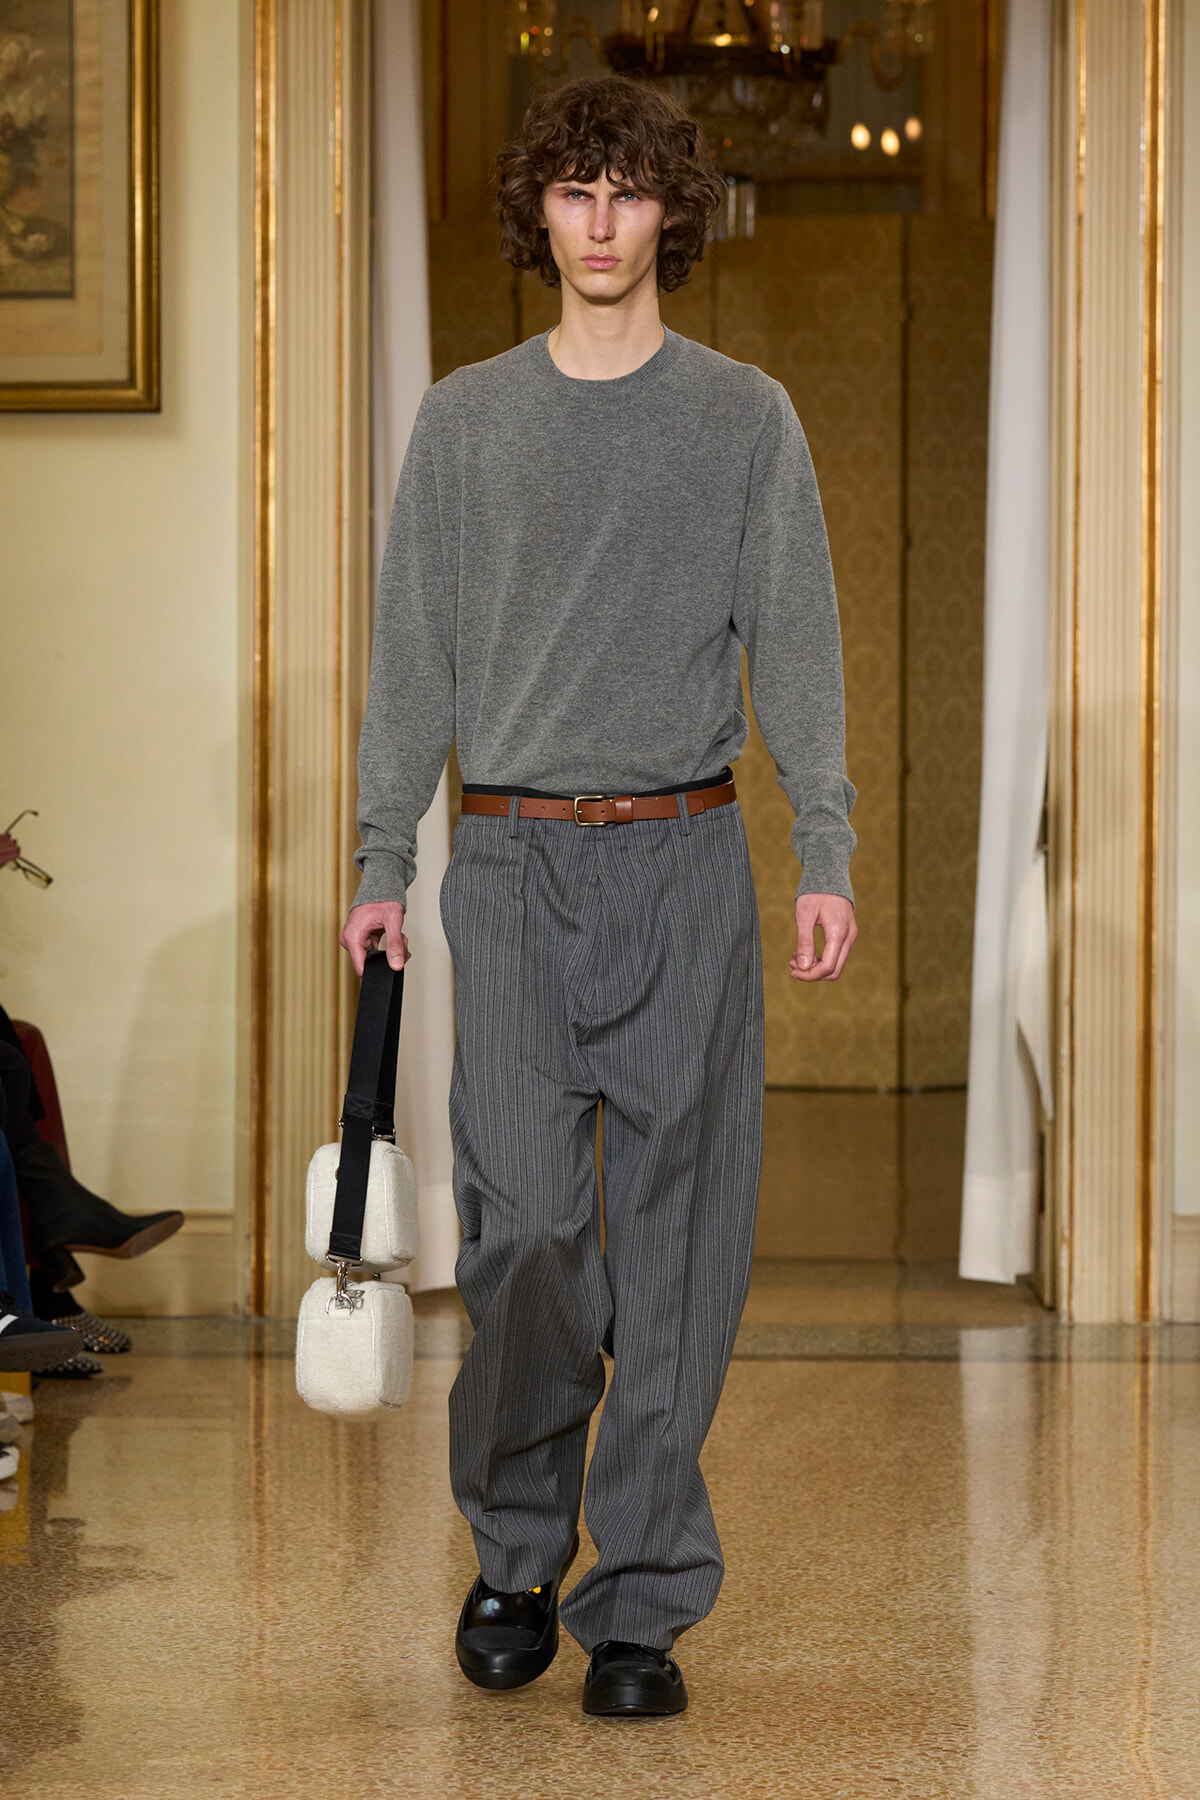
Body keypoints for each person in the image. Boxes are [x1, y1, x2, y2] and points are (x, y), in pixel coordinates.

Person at [339, 74, 857, 1718]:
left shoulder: (746, 420)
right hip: (507, 867)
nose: (604, 222)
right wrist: (379, 860)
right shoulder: (467, 423)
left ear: (672, 212)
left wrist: (826, 846)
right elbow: (413, 659)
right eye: (575, 190)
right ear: (540, 212)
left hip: (686, 860)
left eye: (630, 191)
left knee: (680, 1244)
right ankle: (514, 1545)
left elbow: (799, 645)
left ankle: (638, 1597)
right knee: (530, 1237)